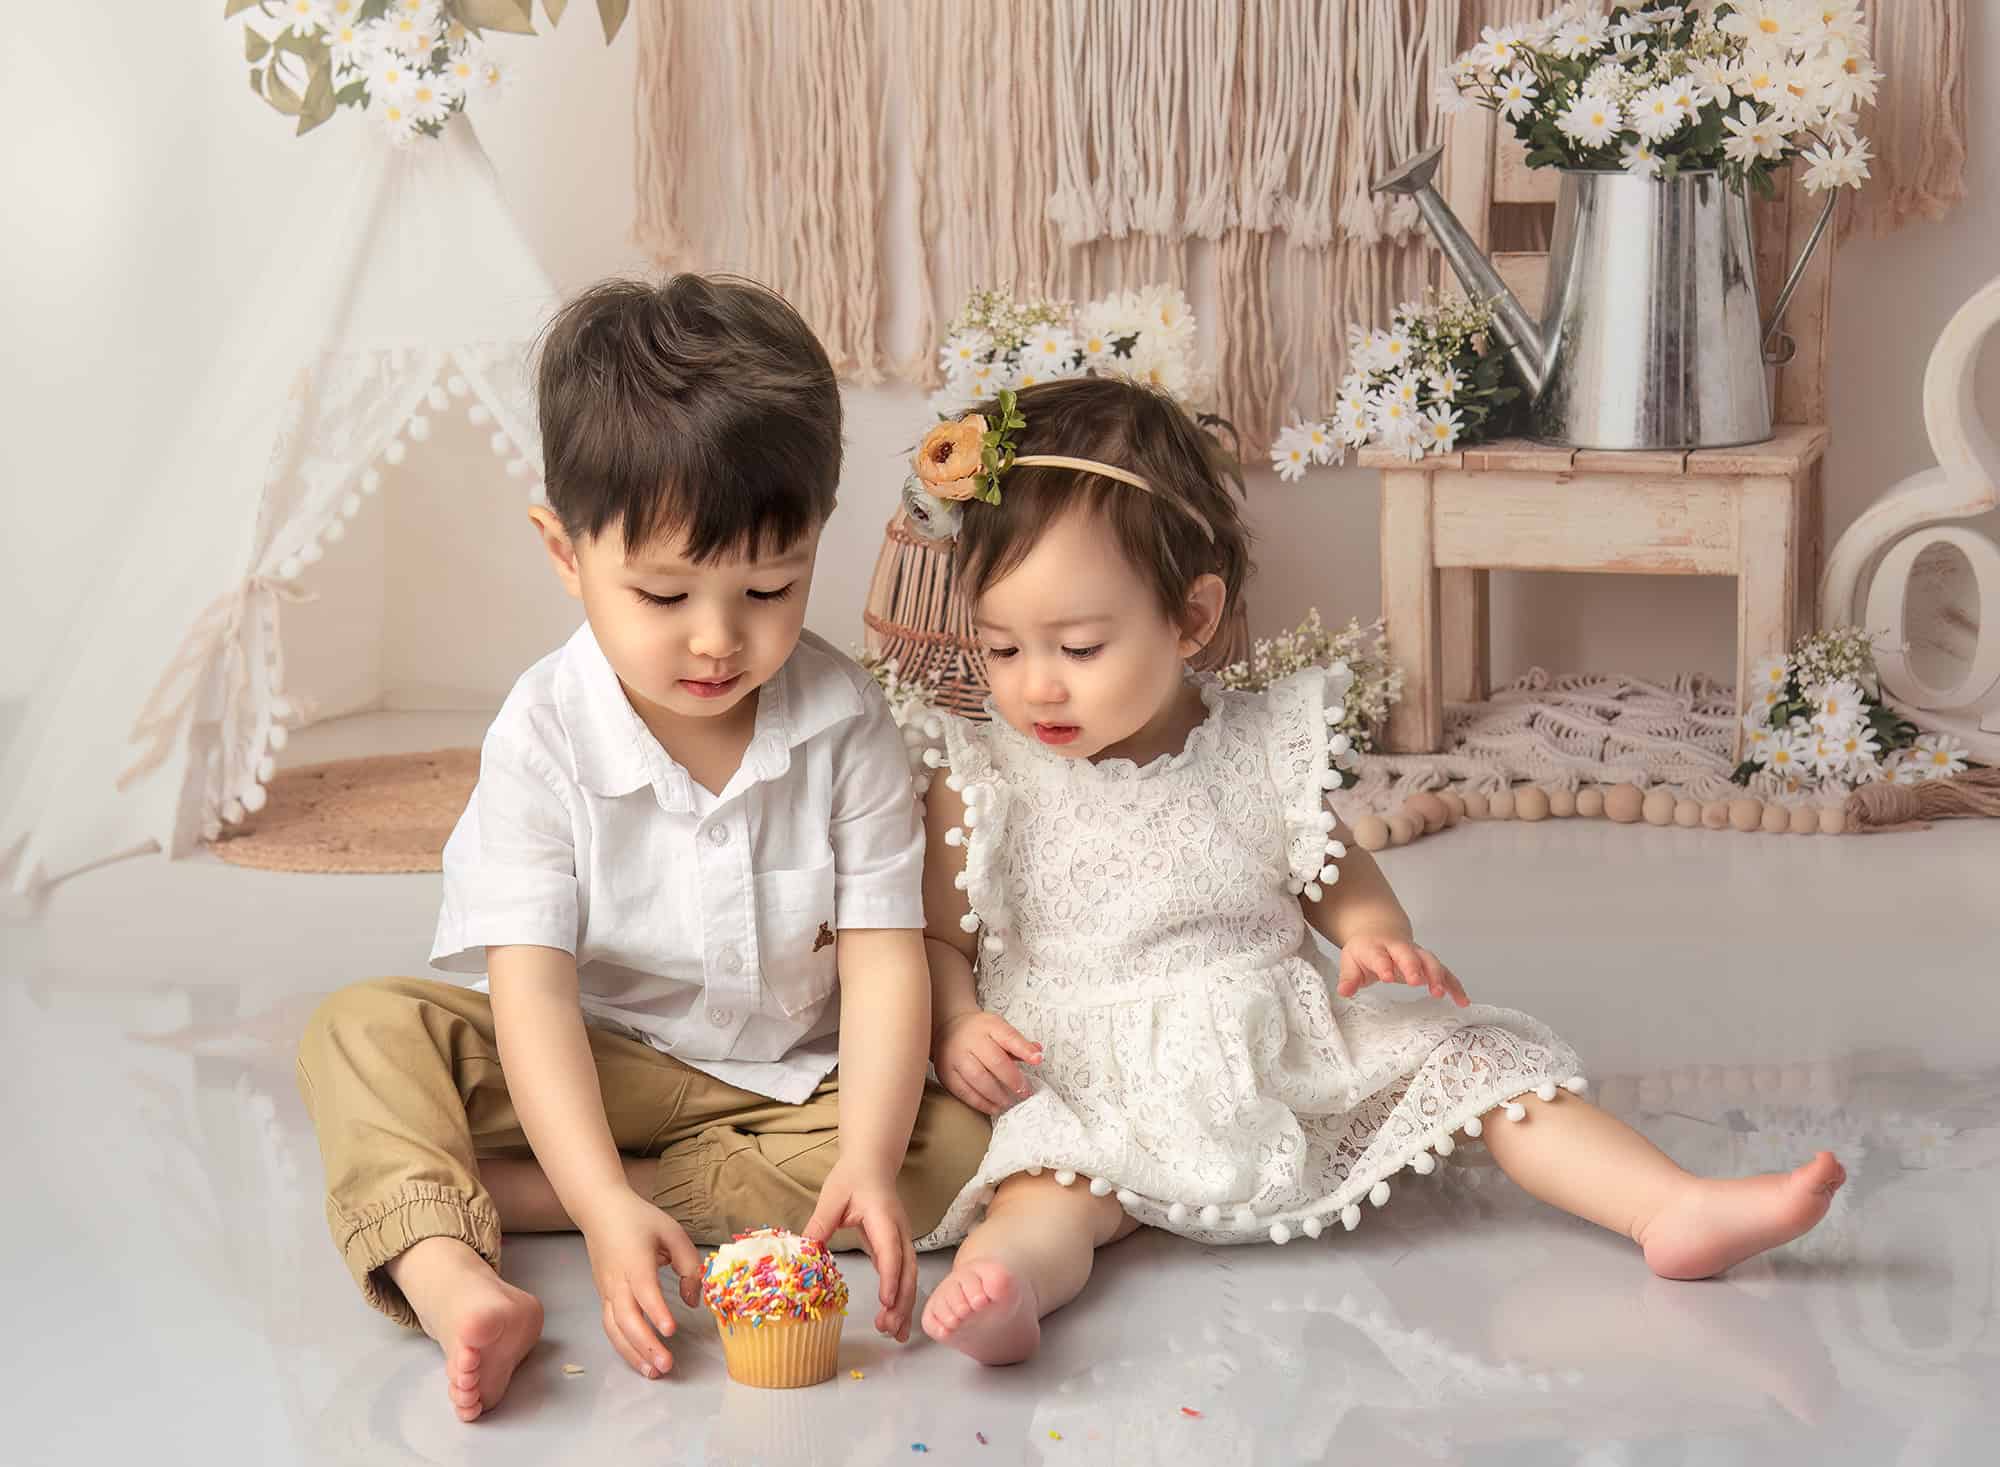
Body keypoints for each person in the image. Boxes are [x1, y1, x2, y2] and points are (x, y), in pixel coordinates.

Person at [903, 375, 1846, 1365]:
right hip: (1084, 1076)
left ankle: (1668, 1206)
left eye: (1079, 646)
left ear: (1190, 618)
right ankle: (1008, 1288)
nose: (1035, 685)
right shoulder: (984, 776)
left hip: (1270, 1055)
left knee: (1483, 1064)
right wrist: (958, 1021)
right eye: (1000, 646)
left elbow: (1334, 871)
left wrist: (1373, 938)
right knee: (1044, 1195)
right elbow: (939, 938)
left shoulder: (1261, 747)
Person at [296, 275, 988, 1419]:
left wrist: (865, 1161)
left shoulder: (845, 723)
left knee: (955, 1146)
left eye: (768, 586)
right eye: (663, 595)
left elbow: (882, 958)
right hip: (595, 1059)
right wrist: (602, 1199)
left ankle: (547, 1196)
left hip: (787, 1083)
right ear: (564, 554)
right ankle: (450, 1271)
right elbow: (529, 995)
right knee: (362, 1031)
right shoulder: (541, 734)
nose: (718, 640)